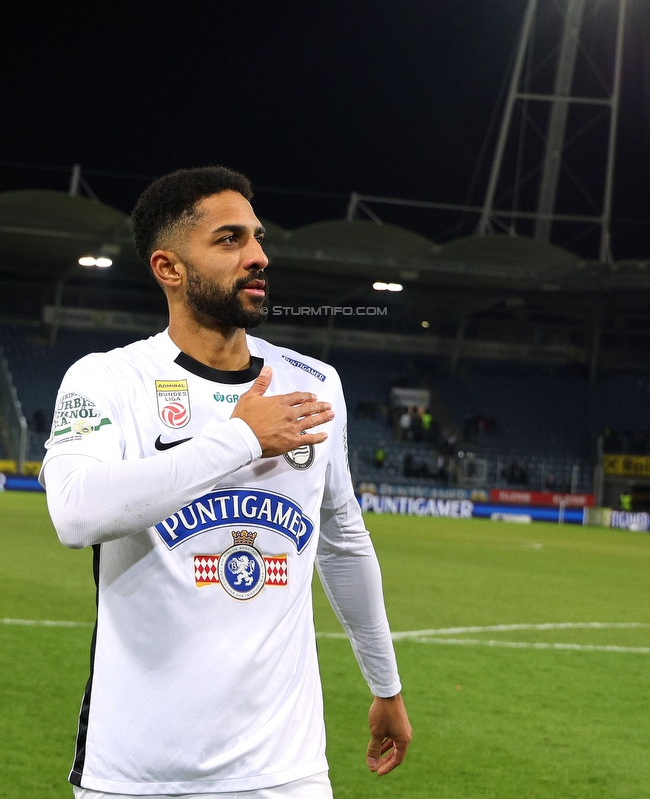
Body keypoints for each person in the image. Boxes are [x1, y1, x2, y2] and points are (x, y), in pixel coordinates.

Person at [40, 166, 411, 799]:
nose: (258, 256)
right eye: (229, 239)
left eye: (258, 238)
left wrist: (386, 686)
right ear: (169, 268)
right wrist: (240, 439)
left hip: (285, 772)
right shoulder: (107, 380)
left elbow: (343, 540)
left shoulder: (316, 384)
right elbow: (75, 514)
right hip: (137, 771)